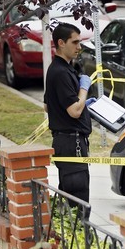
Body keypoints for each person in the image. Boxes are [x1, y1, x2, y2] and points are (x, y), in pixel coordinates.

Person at [44, 23, 94, 211]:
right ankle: (81, 238)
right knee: (78, 203)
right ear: (61, 43)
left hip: (68, 141)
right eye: (74, 42)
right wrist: (83, 90)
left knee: (69, 198)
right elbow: (74, 111)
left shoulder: (62, 69)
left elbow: (48, 105)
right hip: (71, 143)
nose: (79, 47)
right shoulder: (60, 72)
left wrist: (83, 105)